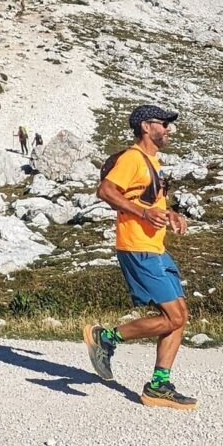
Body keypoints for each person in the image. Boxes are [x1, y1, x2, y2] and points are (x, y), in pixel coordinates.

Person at [82, 104, 195, 410]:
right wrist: (144, 212)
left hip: (155, 247)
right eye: (164, 124)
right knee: (174, 316)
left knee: (179, 317)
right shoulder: (133, 158)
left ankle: (158, 386)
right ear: (147, 126)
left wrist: (168, 213)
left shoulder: (152, 162)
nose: (169, 129)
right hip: (137, 247)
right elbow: (105, 191)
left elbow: (145, 201)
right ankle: (106, 337)